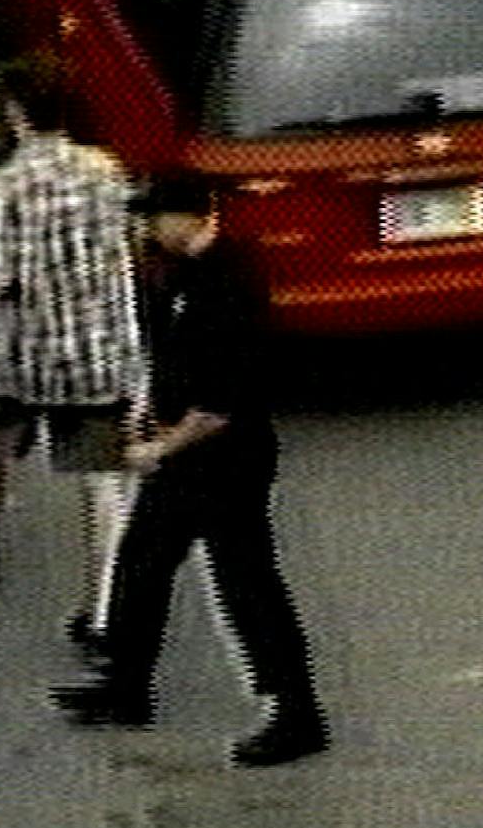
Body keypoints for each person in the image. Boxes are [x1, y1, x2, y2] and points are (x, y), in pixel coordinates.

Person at [53, 178, 329, 768]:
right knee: (142, 560)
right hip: (185, 449)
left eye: (154, 218)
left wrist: (161, 448)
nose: (145, 230)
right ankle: (127, 686)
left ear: (189, 216)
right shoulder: (175, 275)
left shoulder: (228, 280)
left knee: (248, 585)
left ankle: (296, 713)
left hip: (226, 457)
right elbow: (171, 361)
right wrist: (145, 412)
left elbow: (223, 400)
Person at [0, 54, 143, 638]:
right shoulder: (106, 170)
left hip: (25, 356)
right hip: (99, 356)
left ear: (16, 112)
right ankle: (101, 609)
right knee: (102, 482)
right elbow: (129, 247)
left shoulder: (5, 182)